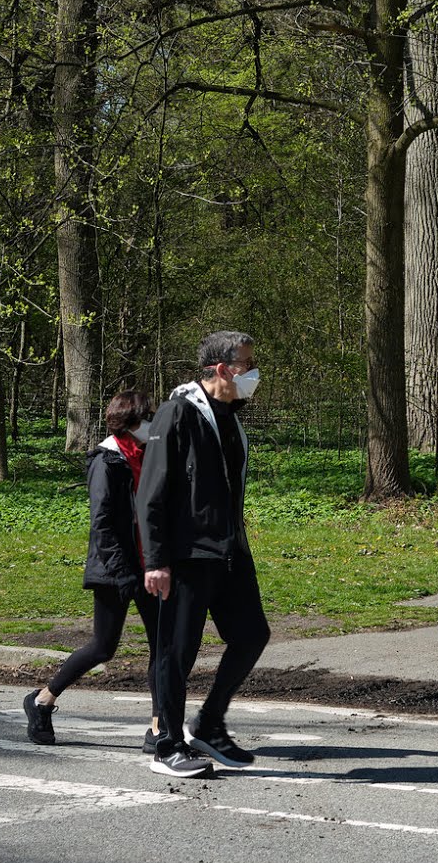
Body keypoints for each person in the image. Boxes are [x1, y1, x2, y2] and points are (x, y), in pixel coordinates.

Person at [136, 330, 270, 779]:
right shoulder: (177, 413)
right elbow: (150, 493)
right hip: (186, 555)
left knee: (251, 634)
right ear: (220, 369)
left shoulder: (230, 418)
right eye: (245, 364)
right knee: (177, 651)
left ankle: (209, 724)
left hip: (229, 551)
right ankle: (167, 744)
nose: (252, 373)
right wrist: (156, 560)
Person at [24, 390, 164, 751]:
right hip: (115, 570)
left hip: (150, 567)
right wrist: (124, 573)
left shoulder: (147, 454)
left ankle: (159, 729)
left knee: (163, 648)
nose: (153, 423)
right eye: (147, 417)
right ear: (130, 422)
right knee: (103, 647)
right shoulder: (106, 461)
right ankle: (42, 701)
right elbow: (102, 524)